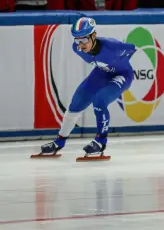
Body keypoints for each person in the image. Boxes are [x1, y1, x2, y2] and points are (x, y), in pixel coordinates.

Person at [32, 17, 136, 158]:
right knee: (76, 103)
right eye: (77, 40)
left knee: (100, 100)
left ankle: (101, 141)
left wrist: (121, 64)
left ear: (94, 35)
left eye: (84, 40)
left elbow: (132, 48)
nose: (80, 45)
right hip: (101, 73)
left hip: (122, 75)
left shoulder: (112, 46)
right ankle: (59, 141)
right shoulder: (77, 48)